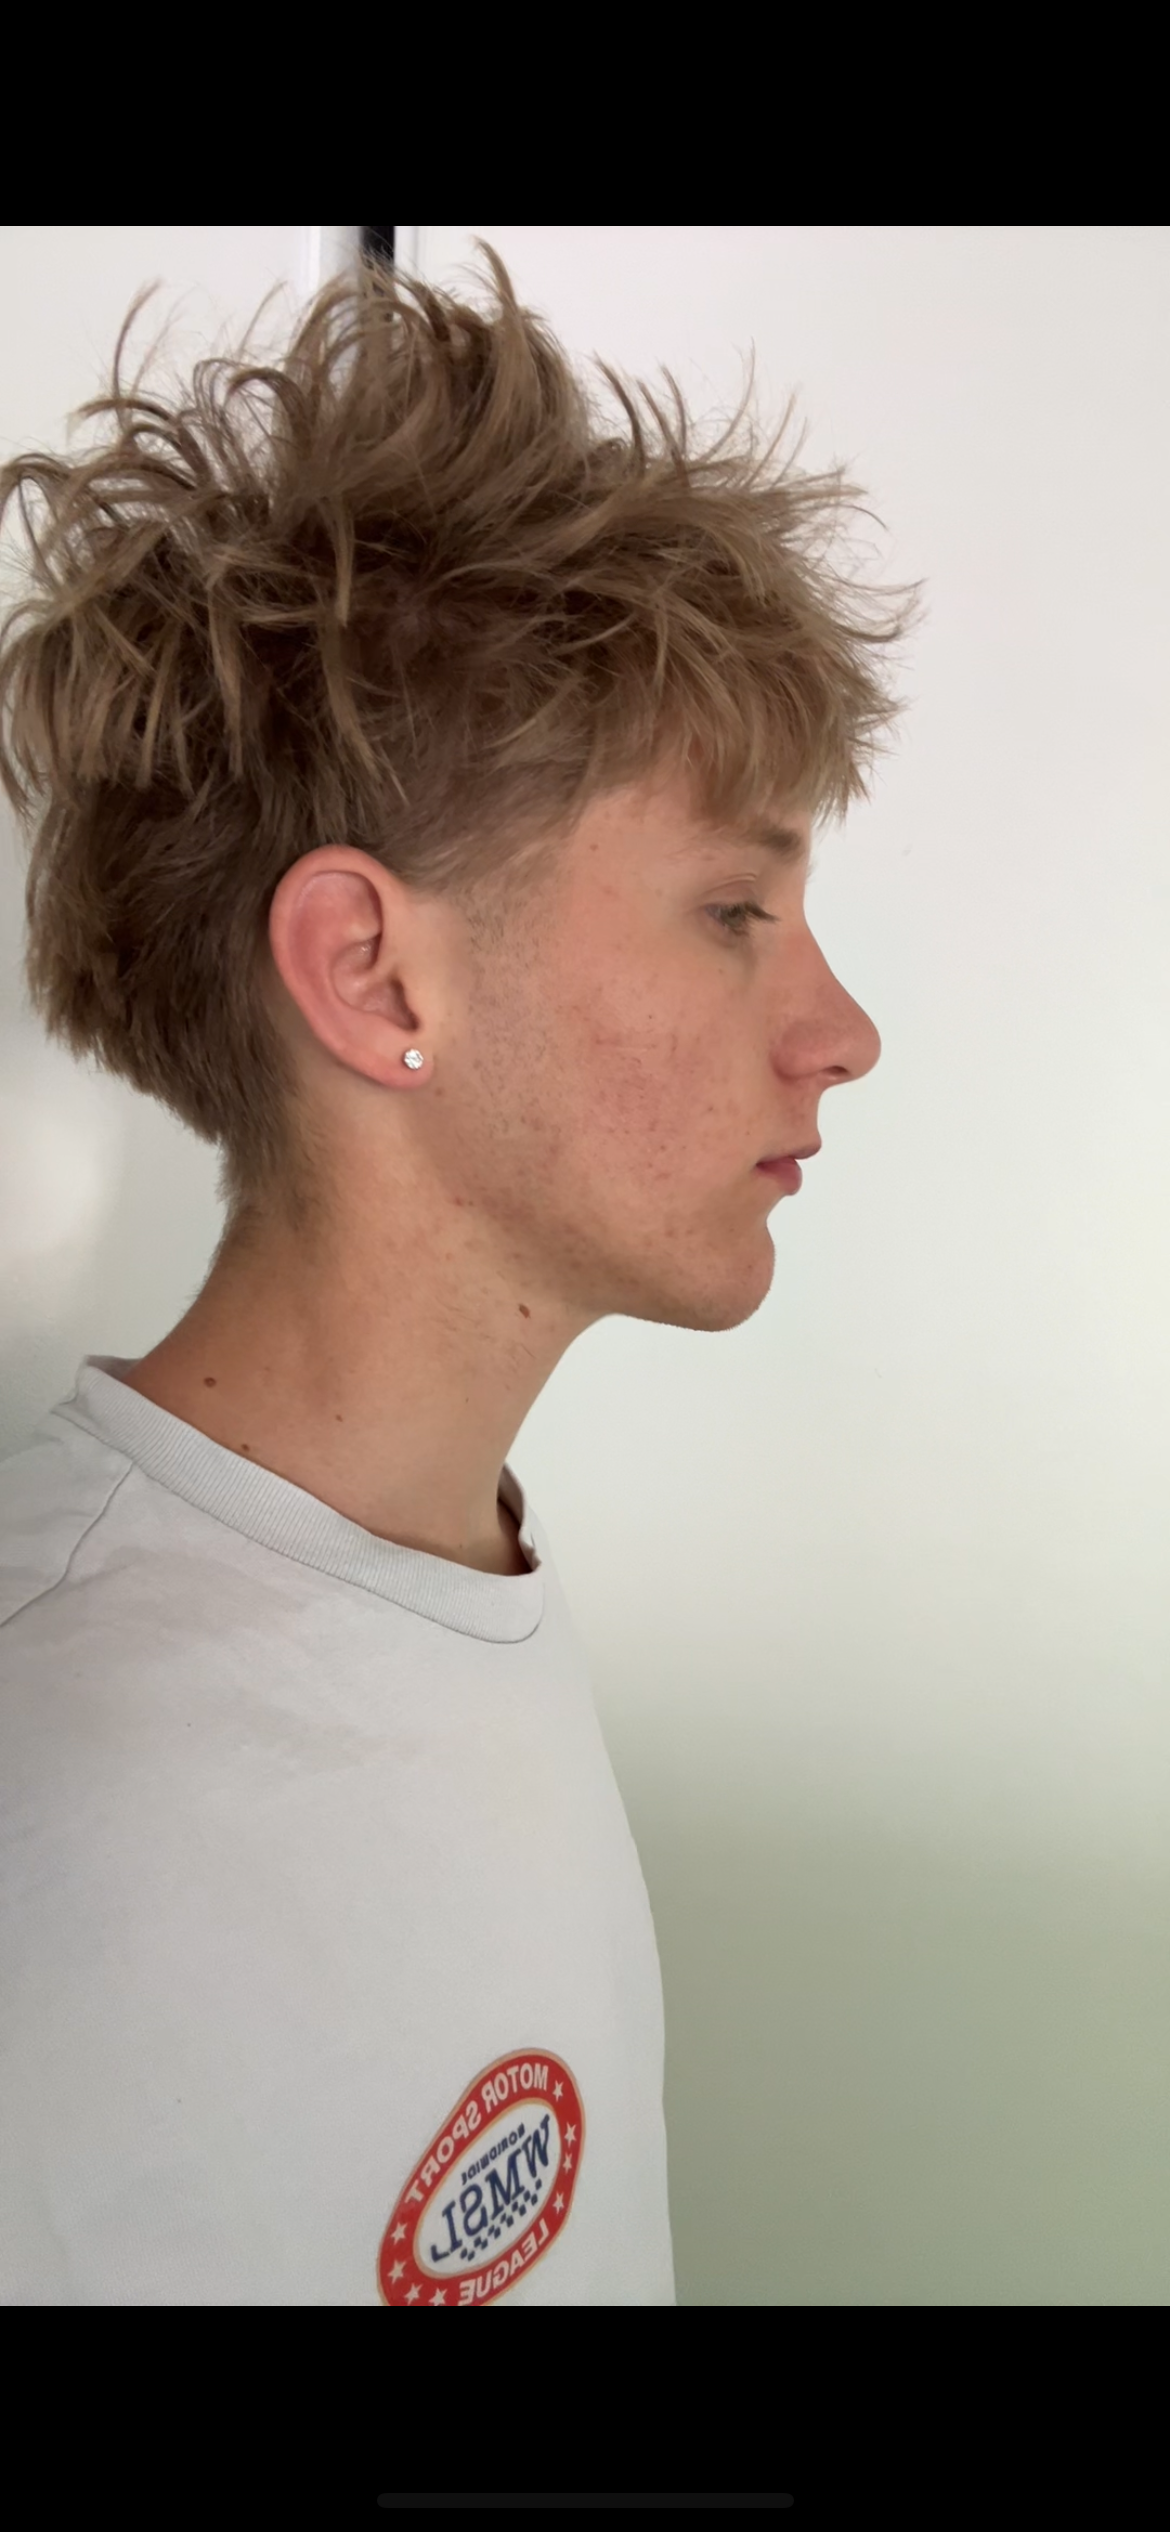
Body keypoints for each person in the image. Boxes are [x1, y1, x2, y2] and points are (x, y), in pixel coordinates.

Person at [0, 246, 909, 2306]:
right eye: (733, 910)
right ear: (374, 973)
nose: (841, 1031)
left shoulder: (448, 1584)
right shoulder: (59, 1802)